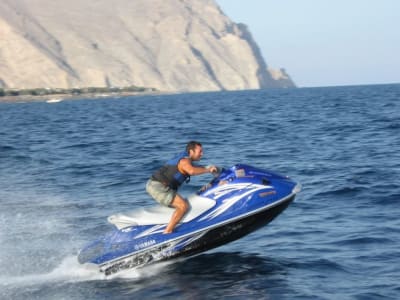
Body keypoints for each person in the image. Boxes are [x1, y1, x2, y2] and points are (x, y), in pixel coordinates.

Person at [146, 141, 217, 234]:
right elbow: (191, 171)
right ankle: (167, 232)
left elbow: (199, 167)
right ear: (191, 151)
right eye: (200, 151)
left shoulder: (188, 161)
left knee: (186, 203)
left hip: (157, 185)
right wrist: (208, 170)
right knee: (183, 206)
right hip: (158, 186)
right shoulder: (184, 161)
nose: (202, 154)